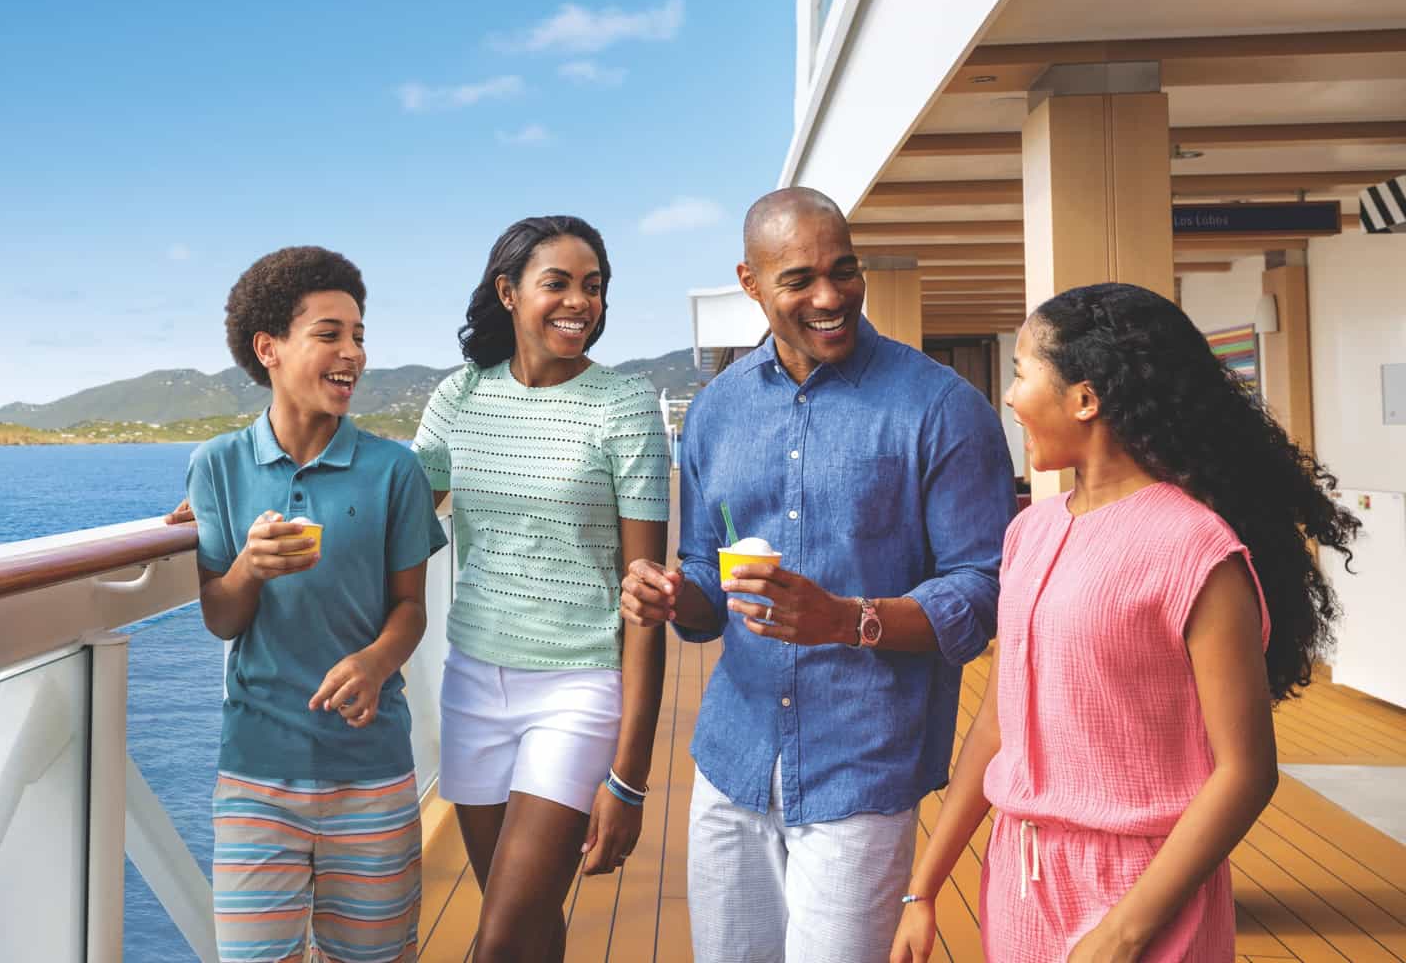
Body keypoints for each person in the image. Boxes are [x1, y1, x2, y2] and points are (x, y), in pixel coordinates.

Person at [888, 283, 1360, 963]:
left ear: (1084, 398)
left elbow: (1247, 772)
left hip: (1146, 896)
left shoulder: (1197, 550)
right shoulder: (1028, 534)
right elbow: (997, 725)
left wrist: (1122, 934)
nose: (1012, 399)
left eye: (1021, 374)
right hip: (1019, 886)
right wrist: (924, 889)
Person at [619, 187, 1018, 963]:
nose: (830, 296)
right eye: (800, 279)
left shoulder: (942, 407)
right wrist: (674, 594)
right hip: (733, 762)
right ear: (751, 282)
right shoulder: (715, 412)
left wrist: (847, 619)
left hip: (860, 769)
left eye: (845, 270)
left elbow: (985, 586)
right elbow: (708, 579)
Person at [412, 215, 671, 961]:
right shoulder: (459, 398)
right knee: (526, 930)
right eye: (556, 283)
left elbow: (644, 601)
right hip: (471, 684)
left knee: (496, 942)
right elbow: (390, 513)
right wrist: (241, 496)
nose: (579, 302)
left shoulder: (623, 405)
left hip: (579, 688)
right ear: (508, 292)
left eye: (592, 287)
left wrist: (630, 778)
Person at [186, 246, 449, 963]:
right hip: (254, 777)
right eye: (330, 333)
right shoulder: (218, 465)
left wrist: (374, 661)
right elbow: (221, 618)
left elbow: (410, 610)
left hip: (372, 772)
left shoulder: (393, 470)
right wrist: (247, 568)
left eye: (359, 334)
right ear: (268, 348)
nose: (353, 353)